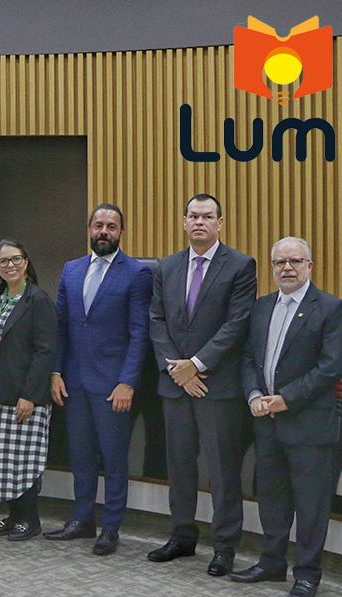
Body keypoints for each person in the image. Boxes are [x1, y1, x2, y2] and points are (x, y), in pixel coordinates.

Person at [232, 237, 342, 597]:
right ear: (271, 267)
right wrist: (253, 395)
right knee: (272, 498)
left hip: (309, 424)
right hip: (266, 421)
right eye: (279, 262)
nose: (286, 268)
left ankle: (307, 574)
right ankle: (271, 562)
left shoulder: (330, 308)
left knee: (311, 505)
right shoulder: (261, 307)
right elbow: (248, 357)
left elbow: (331, 367)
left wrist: (287, 400)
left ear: (309, 266)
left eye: (295, 261)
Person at [147, 193, 257, 575]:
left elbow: (237, 324)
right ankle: (182, 536)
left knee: (223, 471)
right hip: (175, 385)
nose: (199, 222)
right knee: (179, 466)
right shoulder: (166, 267)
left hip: (217, 386)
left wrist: (195, 364)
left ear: (220, 224)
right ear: (183, 221)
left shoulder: (241, 266)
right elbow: (156, 321)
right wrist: (178, 370)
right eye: (193, 215)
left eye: (207, 216)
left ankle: (224, 546)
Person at [46, 204, 153, 555]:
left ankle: (111, 528)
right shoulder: (71, 270)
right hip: (74, 382)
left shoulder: (136, 273)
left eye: (111, 226)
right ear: (89, 229)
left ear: (121, 232)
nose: (103, 231)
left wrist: (128, 382)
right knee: (81, 456)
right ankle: (81, 519)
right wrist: (56, 371)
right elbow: (61, 326)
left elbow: (140, 334)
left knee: (114, 459)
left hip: (113, 386)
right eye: (97, 225)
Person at [0, 240, 56, 540]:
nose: (9, 266)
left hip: (23, 395)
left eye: (15, 259)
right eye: (3, 262)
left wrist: (30, 396)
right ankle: (13, 516)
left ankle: (29, 520)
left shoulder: (38, 300)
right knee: (2, 456)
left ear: (26, 262)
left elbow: (44, 352)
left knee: (24, 458)